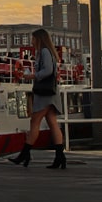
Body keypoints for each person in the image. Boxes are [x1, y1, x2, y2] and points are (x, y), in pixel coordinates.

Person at [11, 28, 65, 169]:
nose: (31, 41)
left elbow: (47, 70)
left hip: (44, 93)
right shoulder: (49, 52)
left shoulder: (44, 52)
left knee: (34, 121)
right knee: (52, 122)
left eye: (33, 38)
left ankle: (25, 154)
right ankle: (60, 157)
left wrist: (33, 76)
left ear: (39, 39)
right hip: (51, 92)